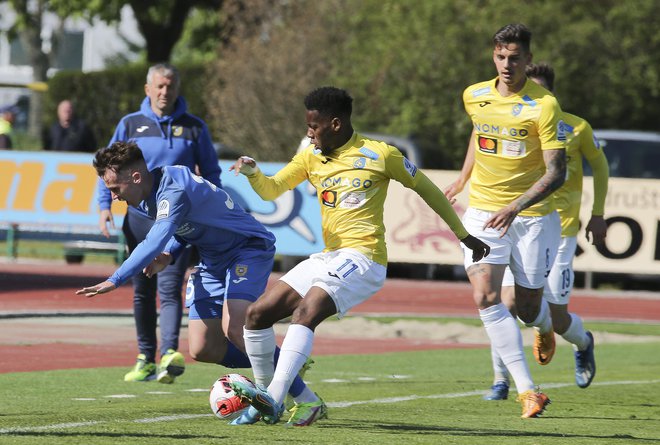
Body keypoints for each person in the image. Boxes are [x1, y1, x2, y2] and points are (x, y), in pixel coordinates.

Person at [227, 86, 490, 426]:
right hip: (329, 256)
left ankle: (274, 399)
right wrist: (252, 172)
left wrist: (464, 236)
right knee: (257, 315)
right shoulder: (310, 155)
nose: (308, 133)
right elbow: (272, 189)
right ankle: (287, 399)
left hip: (365, 259)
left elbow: (428, 191)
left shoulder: (381, 154)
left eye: (314, 126)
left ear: (335, 124)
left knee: (306, 312)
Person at [79, 141, 318, 423]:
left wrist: (116, 278)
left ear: (135, 177)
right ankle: (285, 364)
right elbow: (185, 227)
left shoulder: (172, 190)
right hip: (211, 259)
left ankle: (306, 400)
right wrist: (169, 253)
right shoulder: (149, 194)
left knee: (236, 327)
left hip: (247, 249)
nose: (114, 196)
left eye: (115, 189)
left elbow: (154, 239)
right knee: (203, 348)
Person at [443, 24, 567, 418]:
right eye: (500, 56)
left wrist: (515, 205)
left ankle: (543, 324)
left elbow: (556, 173)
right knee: (485, 296)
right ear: (492, 56)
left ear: (528, 60)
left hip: (531, 218)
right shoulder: (474, 95)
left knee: (528, 306)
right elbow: (480, 135)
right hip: (481, 212)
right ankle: (528, 390)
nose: (507, 64)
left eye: (515, 57)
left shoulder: (545, 106)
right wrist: (463, 178)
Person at [466, 63, 607, 400]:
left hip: (557, 229)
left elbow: (600, 167)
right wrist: (463, 178)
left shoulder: (575, 127)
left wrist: (598, 213)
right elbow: (478, 136)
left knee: (555, 318)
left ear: (548, 95)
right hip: (510, 221)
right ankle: (501, 380)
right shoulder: (501, 112)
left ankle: (583, 342)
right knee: (502, 300)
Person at [97, 63, 221, 383]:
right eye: (160, 87)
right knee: (142, 289)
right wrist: (103, 205)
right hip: (138, 219)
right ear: (148, 89)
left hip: (177, 220)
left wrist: (208, 208)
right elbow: (109, 168)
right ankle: (145, 357)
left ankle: (168, 354)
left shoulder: (194, 128)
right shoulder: (130, 124)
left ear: (177, 89)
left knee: (169, 285)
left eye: (170, 87)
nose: (165, 92)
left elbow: (211, 173)